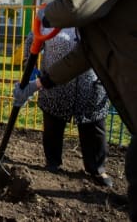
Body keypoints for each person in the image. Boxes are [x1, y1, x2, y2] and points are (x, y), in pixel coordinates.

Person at [13, 0, 137, 221]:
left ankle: (96, 168)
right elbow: (84, 54)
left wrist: (45, 13)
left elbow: (72, 7)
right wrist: (40, 82)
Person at [23, 24, 112, 186]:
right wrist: (30, 70)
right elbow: (32, 42)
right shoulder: (50, 18)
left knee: (94, 128)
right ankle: (52, 162)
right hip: (54, 84)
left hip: (90, 85)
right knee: (52, 126)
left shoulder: (96, 17)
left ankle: (97, 168)